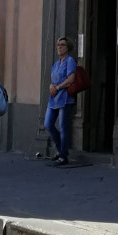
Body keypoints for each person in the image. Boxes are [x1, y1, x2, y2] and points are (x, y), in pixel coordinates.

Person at [46, 35, 77, 165]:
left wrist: (57, 87)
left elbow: (71, 79)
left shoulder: (70, 61)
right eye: (58, 45)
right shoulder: (56, 63)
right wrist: (51, 86)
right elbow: (52, 79)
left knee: (63, 127)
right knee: (48, 124)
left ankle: (63, 156)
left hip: (65, 98)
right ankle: (59, 149)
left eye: (62, 45)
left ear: (68, 47)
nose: (59, 47)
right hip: (53, 98)